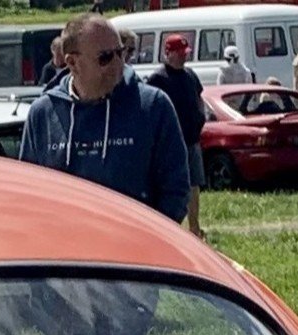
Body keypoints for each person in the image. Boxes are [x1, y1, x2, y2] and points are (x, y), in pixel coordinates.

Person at [19, 14, 190, 222]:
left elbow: (176, 189)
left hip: (135, 248)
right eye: (105, 57)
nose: (118, 63)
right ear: (72, 62)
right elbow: (29, 195)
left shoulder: (153, 106)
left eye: (120, 53)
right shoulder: (43, 114)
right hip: (64, 248)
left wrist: (150, 243)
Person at [147, 34, 206, 237]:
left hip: (192, 139)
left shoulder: (190, 75)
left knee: (194, 183)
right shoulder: (159, 79)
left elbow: (199, 98)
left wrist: (201, 118)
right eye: (179, 53)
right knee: (173, 185)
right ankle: (170, 229)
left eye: (185, 53)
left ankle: (195, 227)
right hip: (171, 142)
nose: (183, 57)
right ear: (168, 53)